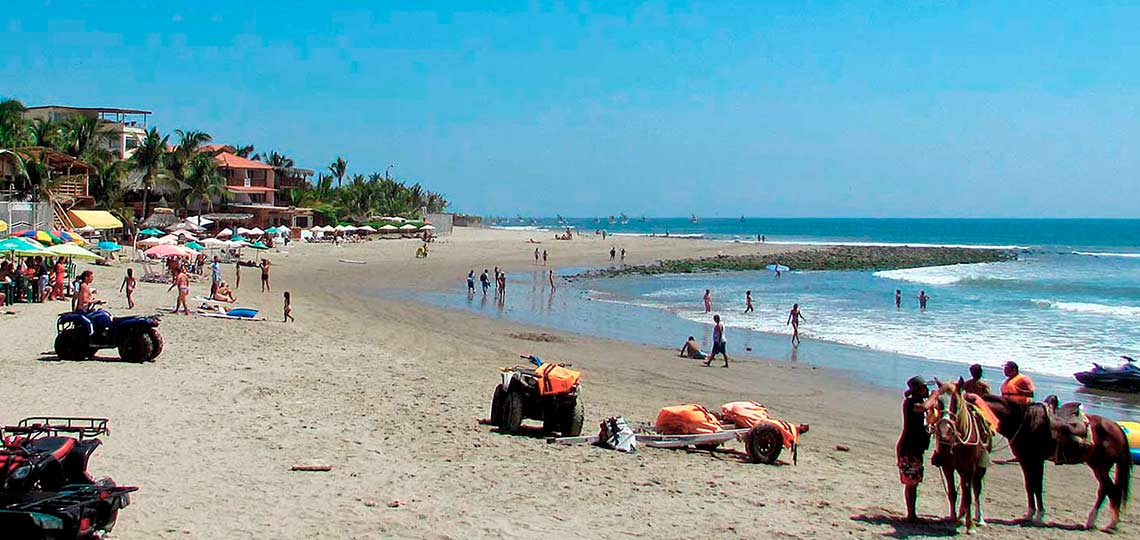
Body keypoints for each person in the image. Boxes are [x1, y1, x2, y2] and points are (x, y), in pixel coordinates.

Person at [897, 376, 932, 523]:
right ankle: (911, 514)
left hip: (914, 448)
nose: (928, 390)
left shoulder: (916, 402)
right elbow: (924, 408)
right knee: (911, 483)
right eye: (925, 388)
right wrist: (936, 396)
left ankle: (912, 513)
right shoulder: (911, 403)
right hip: (909, 448)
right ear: (918, 390)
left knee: (914, 482)